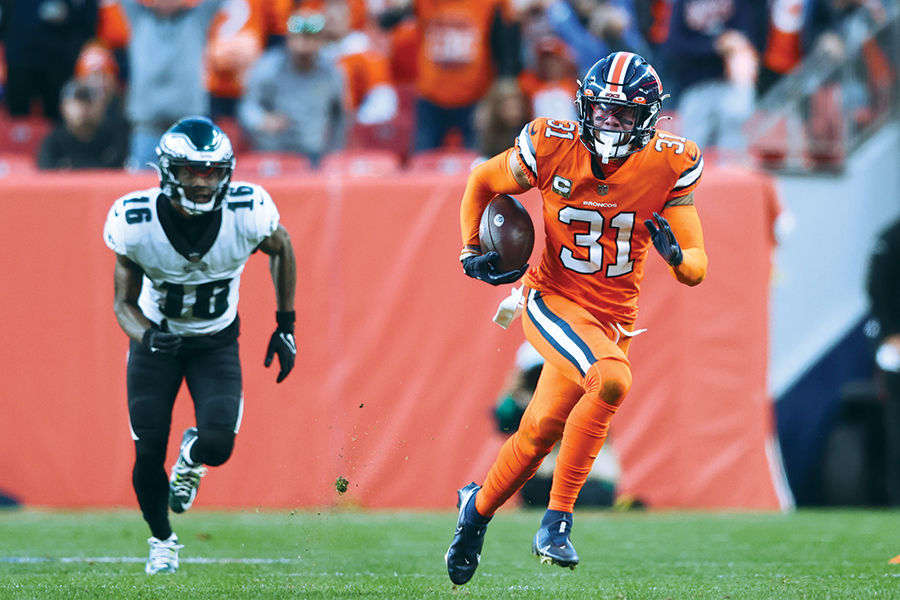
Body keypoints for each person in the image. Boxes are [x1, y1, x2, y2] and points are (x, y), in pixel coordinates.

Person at [445, 51, 707, 585]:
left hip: (613, 320)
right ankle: (557, 520)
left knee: (540, 430)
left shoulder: (668, 162)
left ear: (648, 120)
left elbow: (697, 269)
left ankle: (474, 513)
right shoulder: (551, 143)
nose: (611, 124)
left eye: (625, 115)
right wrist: (472, 248)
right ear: (586, 107)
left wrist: (676, 256)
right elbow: (480, 180)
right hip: (551, 298)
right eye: (604, 112)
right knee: (612, 379)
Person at [102, 116, 298, 574]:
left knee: (218, 445)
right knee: (148, 452)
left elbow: (283, 247)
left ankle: (191, 458)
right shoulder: (136, 221)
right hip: (159, 343)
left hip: (215, 342)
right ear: (169, 170)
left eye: (211, 170)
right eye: (192, 170)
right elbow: (122, 305)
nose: (201, 180)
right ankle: (162, 540)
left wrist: (285, 324)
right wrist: (148, 337)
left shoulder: (247, 209)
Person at [237, 9, 345, 166]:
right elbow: (248, 107)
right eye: (300, 36)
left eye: (312, 37)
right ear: (289, 38)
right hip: (274, 153)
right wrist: (262, 120)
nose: (305, 43)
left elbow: (340, 116)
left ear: (322, 40)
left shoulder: (331, 73)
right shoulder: (268, 68)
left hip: (313, 153)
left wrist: (334, 153)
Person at [37, 78, 129, 169]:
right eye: (77, 100)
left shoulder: (115, 138)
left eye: (89, 100)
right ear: (63, 107)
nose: (83, 107)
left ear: (102, 106)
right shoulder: (53, 142)